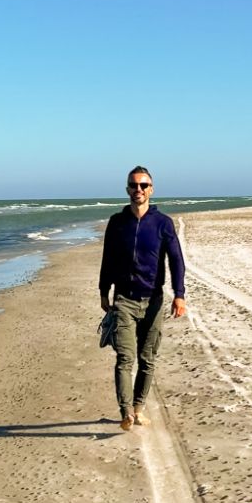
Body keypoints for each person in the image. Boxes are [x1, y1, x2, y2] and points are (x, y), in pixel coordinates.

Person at [99, 166, 187, 431]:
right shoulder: (117, 222)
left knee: (147, 359)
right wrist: (104, 291)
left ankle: (138, 408)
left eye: (144, 185)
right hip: (124, 300)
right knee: (125, 359)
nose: (139, 190)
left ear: (152, 189)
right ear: (127, 189)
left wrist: (179, 295)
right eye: (134, 185)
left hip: (154, 301)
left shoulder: (163, 223)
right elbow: (108, 259)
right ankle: (126, 412)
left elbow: (176, 260)